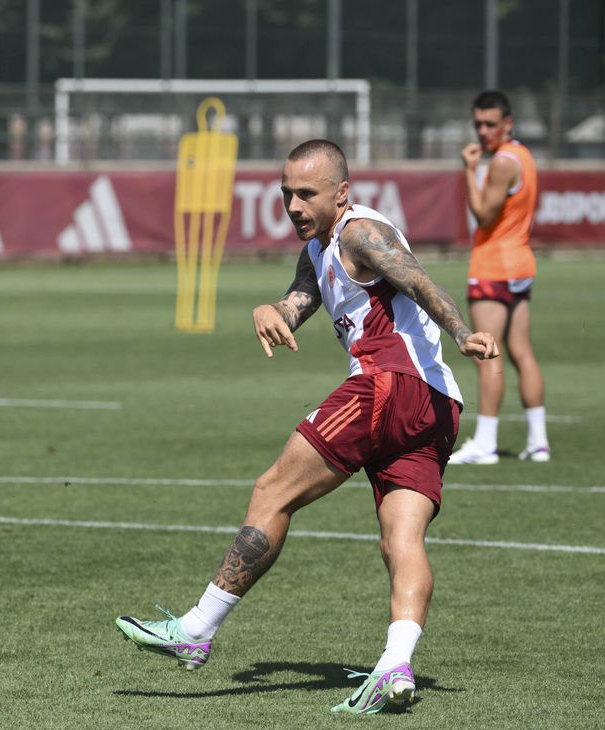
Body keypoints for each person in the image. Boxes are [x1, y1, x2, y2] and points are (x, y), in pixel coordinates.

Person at [114, 140, 499, 715]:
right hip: (439, 406)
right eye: (286, 193)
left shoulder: (357, 232)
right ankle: (395, 667)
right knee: (401, 540)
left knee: (273, 490)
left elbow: (416, 279)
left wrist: (461, 329)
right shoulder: (319, 248)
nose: (293, 205)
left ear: (342, 193)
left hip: (387, 384)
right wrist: (272, 311)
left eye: (306, 194)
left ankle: (197, 626)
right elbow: (301, 300)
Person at [449, 90, 548, 465]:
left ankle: (486, 443)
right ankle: (538, 442)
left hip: (493, 265)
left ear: (508, 123)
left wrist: (470, 170)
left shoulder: (503, 162)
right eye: (478, 124)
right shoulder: (523, 155)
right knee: (521, 351)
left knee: (486, 354)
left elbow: (484, 214)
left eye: (491, 124)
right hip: (520, 263)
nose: (483, 131)